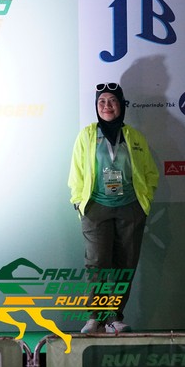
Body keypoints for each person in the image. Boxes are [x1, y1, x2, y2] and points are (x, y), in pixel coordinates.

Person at [68, 82, 159, 334]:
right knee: (97, 264)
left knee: (124, 265)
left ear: (121, 105)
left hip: (130, 208)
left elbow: (150, 172)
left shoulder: (134, 137)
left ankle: (114, 318)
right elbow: (76, 172)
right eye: (102, 101)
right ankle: (94, 317)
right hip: (96, 208)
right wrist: (79, 202)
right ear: (96, 106)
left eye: (112, 101)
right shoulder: (87, 135)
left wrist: (144, 201)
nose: (107, 106)